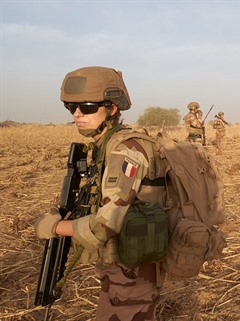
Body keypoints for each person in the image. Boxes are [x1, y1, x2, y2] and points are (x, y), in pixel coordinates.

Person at [34, 66, 164, 321]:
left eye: (88, 106)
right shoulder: (106, 145)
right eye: (71, 107)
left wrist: (55, 227)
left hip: (132, 273)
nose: (78, 114)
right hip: (122, 265)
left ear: (111, 108)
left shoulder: (125, 150)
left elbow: (105, 226)